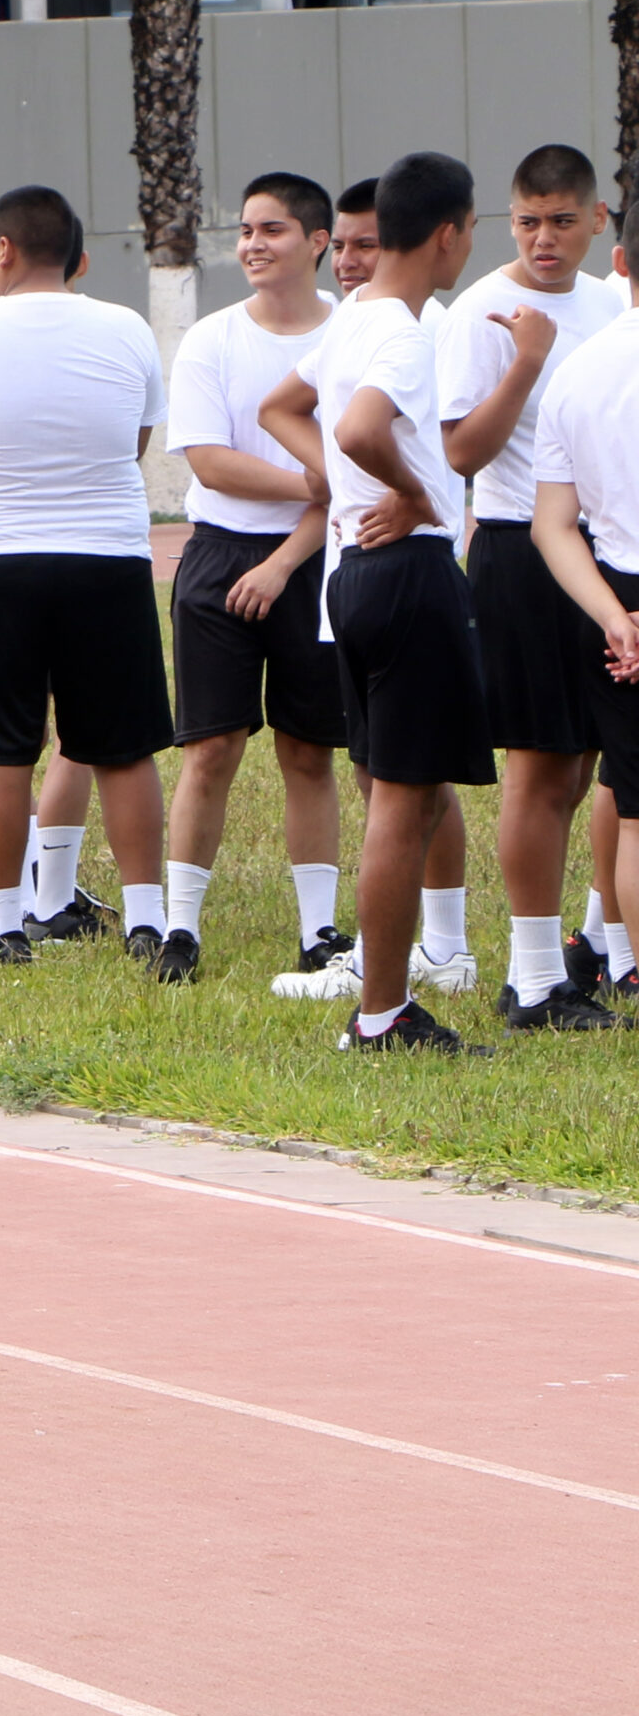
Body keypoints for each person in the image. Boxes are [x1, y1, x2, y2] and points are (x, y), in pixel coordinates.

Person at [260, 151, 495, 1054]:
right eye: (472, 229)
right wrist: (413, 490)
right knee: (403, 804)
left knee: (415, 793)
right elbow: (357, 429)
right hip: (406, 573)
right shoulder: (398, 326)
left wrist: (352, 491)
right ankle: (383, 1014)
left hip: (356, 577)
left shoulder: (353, 319)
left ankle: (391, 993)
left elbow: (285, 406)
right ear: (448, 233)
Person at [0, 187, 173, 967]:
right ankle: (147, 920)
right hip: (106, 555)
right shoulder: (128, 328)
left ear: (1, 248)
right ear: (76, 256)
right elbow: (133, 440)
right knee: (123, 748)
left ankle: (2, 927)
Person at [434, 143, 626, 1029]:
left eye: (560, 220)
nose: (543, 239)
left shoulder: (611, 302)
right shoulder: (480, 309)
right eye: (527, 222)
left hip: (609, 551)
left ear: (597, 223)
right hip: (521, 544)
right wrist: (525, 363)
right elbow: (462, 454)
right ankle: (533, 975)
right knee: (541, 772)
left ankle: (599, 948)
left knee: (608, 769)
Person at [159, 172, 346, 981]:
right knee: (211, 750)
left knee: (309, 753)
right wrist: (312, 483)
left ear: (319, 242)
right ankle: (179, 930)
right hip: (219, 558)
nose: (253, 245)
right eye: (245, 231)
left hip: (314, 563)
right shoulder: (210, 338)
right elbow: (209, 460)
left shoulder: (347, 336)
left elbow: (356, 476)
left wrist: (285, 558)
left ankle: (320, 932)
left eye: (273, 229)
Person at [530, 202, 639, 1022]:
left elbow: (552, 525)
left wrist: (611, 615)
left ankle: (622, 954)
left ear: (622, 257)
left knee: (633, 800)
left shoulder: (578, 370)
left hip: (615, 593)